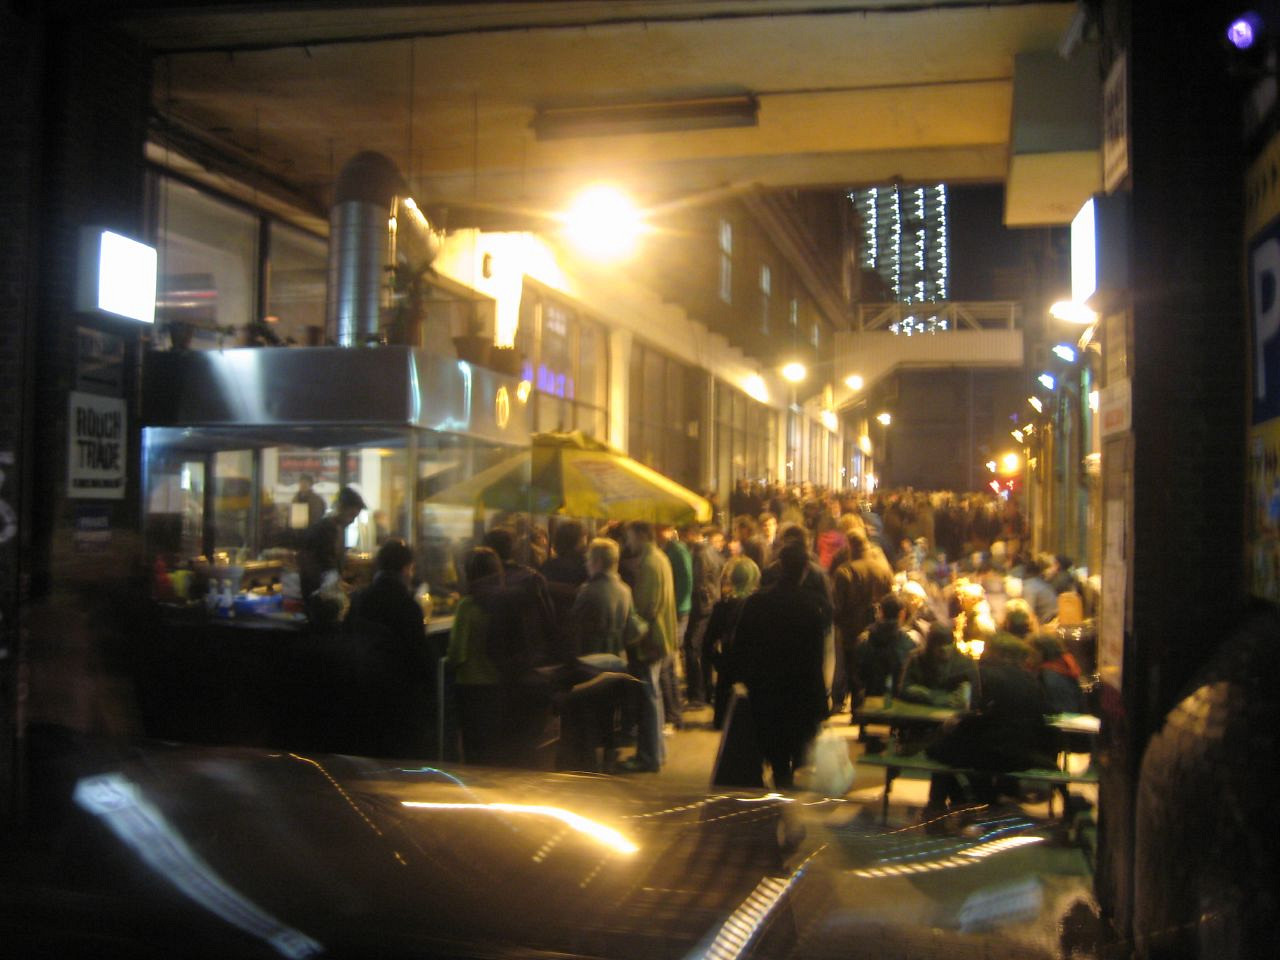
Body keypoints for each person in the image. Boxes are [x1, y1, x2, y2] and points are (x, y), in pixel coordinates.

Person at [734, 541, 828, 790]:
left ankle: (780, 784)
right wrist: (820, 698)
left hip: (765, 688)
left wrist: (744, 678)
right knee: (795, 746)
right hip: (798, 689)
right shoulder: (810, 608)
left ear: (780, 566)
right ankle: (787, 789)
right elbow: (815, 657)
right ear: (805, 570)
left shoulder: (757, 602)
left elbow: (740, 645)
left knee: (774, 748)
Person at [344, 538, 434, 756]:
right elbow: (419, 656)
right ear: (406, 569)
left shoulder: (359, 599)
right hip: (398, 697)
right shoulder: (408, 606)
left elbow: (347, 639)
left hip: (362, 691)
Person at [619, 521, 677, 772]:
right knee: (654, 697)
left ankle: (648, 757)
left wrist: (631, 635)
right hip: (661, 637)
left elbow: (646, 607)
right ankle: (657, 753)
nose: (628, 542)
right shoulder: (660, 558)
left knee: (648, 699)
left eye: (630, 536)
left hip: (650, 640)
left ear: (641, 535)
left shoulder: (650, 563)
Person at [446, 547, 505, 765]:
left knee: (473, 747)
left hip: (470, 685)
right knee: (494, 747)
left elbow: (457, 653)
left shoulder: (467, 606)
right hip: (499, 682)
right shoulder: (505, 602)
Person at [831, 531, 893, 713]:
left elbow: (837, 606)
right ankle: (874, 709)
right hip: (879, 630)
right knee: (875, 671)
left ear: (850, 546)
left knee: (854, 671)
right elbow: (891, 600)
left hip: (851, 630)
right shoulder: (883, 569)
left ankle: (857, 710)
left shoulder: (845, 571)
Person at [706, 556, 761, 729]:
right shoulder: (758, 606)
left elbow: (707, 642)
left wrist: (717, 661)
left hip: (728, 667)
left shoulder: (723, 606)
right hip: (751, 669)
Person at [297, 485, 366, 622]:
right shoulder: (325, 529)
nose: (352, 521)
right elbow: (325, 566)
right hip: (319, 601)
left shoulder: (337, 528)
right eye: (351, 515)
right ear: (340, 507)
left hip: (322, 597)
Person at [682, 521, 724, 708]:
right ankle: (706, 690)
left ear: (691, 534)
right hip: (711, 603)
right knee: (705, 648)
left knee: (692, 647)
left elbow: (697, 583)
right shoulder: (712, 551)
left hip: (701, 607)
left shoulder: (699, 554)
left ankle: (697, 694)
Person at [569, 537, 635, 658]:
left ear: (598, 562)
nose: (586, 564)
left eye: (589, 560)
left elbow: (574, 626)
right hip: (619, 657)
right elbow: (632, 627)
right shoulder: (626, 590)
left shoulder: (588, 591)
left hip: (593, 657)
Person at [850, 593, 918, 705]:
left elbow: (857, 675)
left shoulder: (864, 640)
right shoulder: (909, 643)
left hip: (869, 699)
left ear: (880, 612)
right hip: (899, 703)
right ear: (902, 614)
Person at [540, 520, 589, 659]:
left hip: (552, 623)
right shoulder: (585, 566)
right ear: (578, 540)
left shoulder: (548, 565)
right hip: (578, 627)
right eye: (584, 536)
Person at [899, 620, 977, 708]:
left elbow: (974, 698)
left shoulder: (965, 664)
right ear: (930, 646)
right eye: (939, 645)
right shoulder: (917, 659)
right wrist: (929, 695)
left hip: (952, 714)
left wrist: (965, 698)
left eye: (947, 644)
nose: (943, 649)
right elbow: (904, 689)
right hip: (920, 712)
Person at [1020, 553, 1060, 624]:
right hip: (1054, 620)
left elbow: (1028, 613)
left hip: (1048, 623)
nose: (1056, 570)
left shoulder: (1031, 586)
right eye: (1053, 566)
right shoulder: (1040, 584)